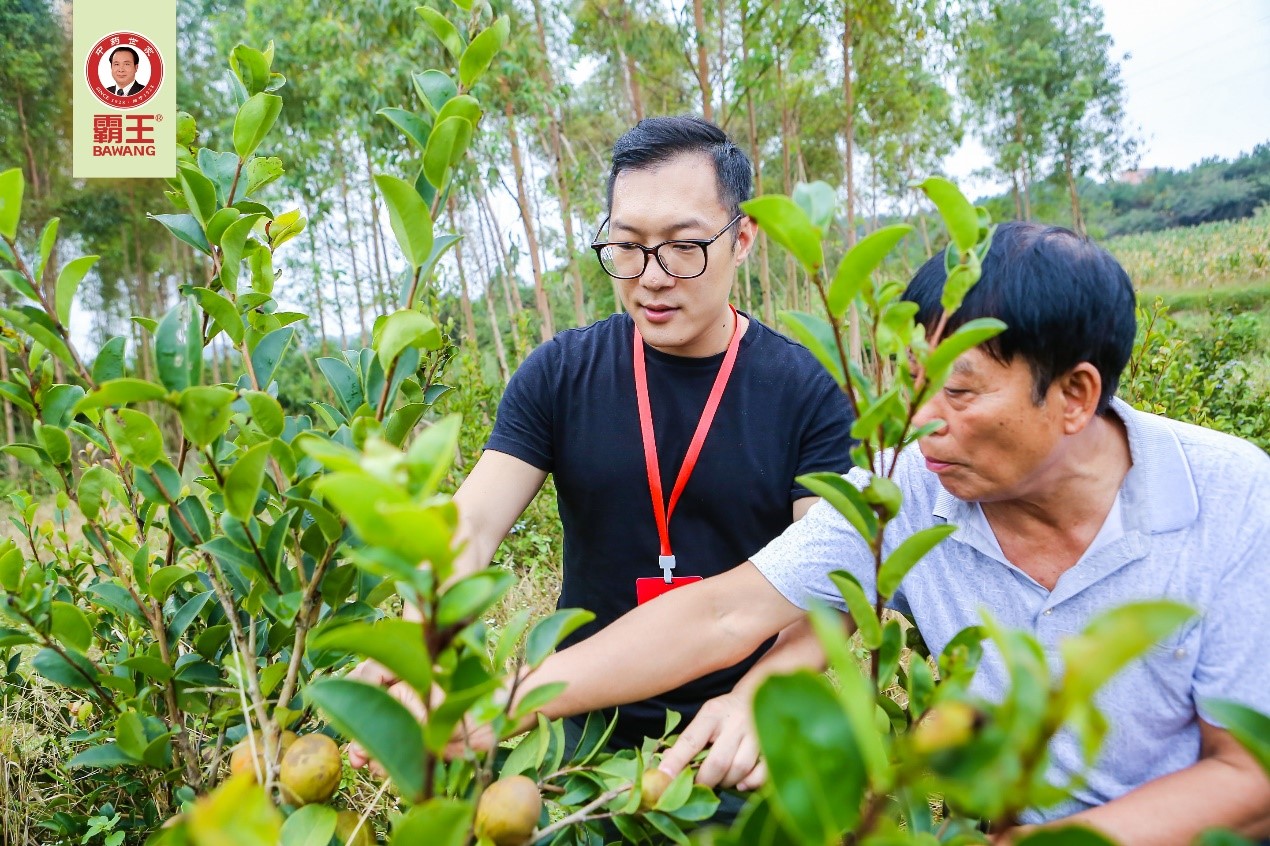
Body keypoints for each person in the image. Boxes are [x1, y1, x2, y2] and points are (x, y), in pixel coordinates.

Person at [509, 221, 1270, 841]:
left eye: (960, 390)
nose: (919, 421)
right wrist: (504, 703)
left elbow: (1249, 776)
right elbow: (725, 610)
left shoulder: (1233, 499)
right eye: (905, 379)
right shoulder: (908, 487)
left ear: (1075, 394)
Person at [350, 116, 856, 804]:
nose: (651, 278)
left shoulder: (807, 391)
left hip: (732, 736)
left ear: (742, 240)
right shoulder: (560, 374)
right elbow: (468, 529)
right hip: (571, 730)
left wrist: (762, 698)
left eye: (683, 247)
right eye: (627, 247)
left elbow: (834, 588)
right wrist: (411, 647)